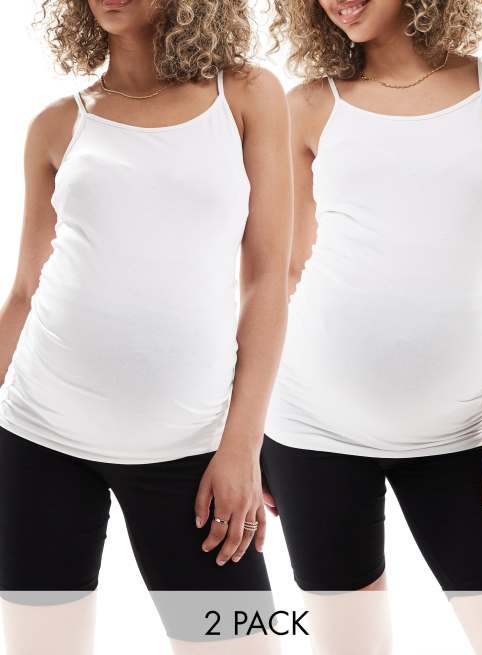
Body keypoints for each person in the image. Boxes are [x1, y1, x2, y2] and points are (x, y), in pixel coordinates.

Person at [0, 1, 291, 653]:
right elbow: (24, 290)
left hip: (190, 448)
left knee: (242, 642)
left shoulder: (246, 96)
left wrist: (242, 446)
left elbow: (267, 279)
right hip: (41, 436)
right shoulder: (57, 124)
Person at [261, 1, 482, 653]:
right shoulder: (308, 105)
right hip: (308, 428)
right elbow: (279, 275)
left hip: (459, 436)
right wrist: (241, 430)